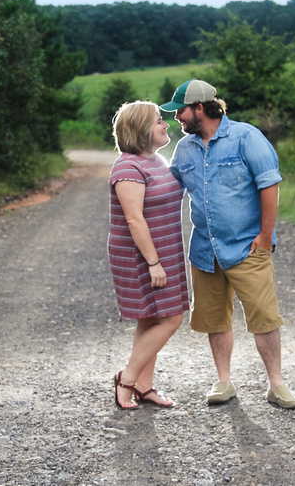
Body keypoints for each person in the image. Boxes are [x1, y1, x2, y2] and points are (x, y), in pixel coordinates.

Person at [161, 79, 295, 409]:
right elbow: (169, 192)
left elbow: (269, 185)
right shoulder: (184, 149)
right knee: (214, 318)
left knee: (264, 318)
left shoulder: (246, 137)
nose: (176, 118)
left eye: (180, 111)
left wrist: (265, 236)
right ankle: (223, 381)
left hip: (247, 248)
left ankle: (276, 385)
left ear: (199, 108)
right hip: (204, 251)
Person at [108, 101, 189, 410]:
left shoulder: (155, 160)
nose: (165, 125)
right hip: (140, 255)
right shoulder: (128, 166)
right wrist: (154, 262)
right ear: (141, 129)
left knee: (152, 317)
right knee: (171, 318)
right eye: (158, 121)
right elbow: (134, 219)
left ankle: (143, 386)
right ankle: (126, 380)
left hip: (164, 250)